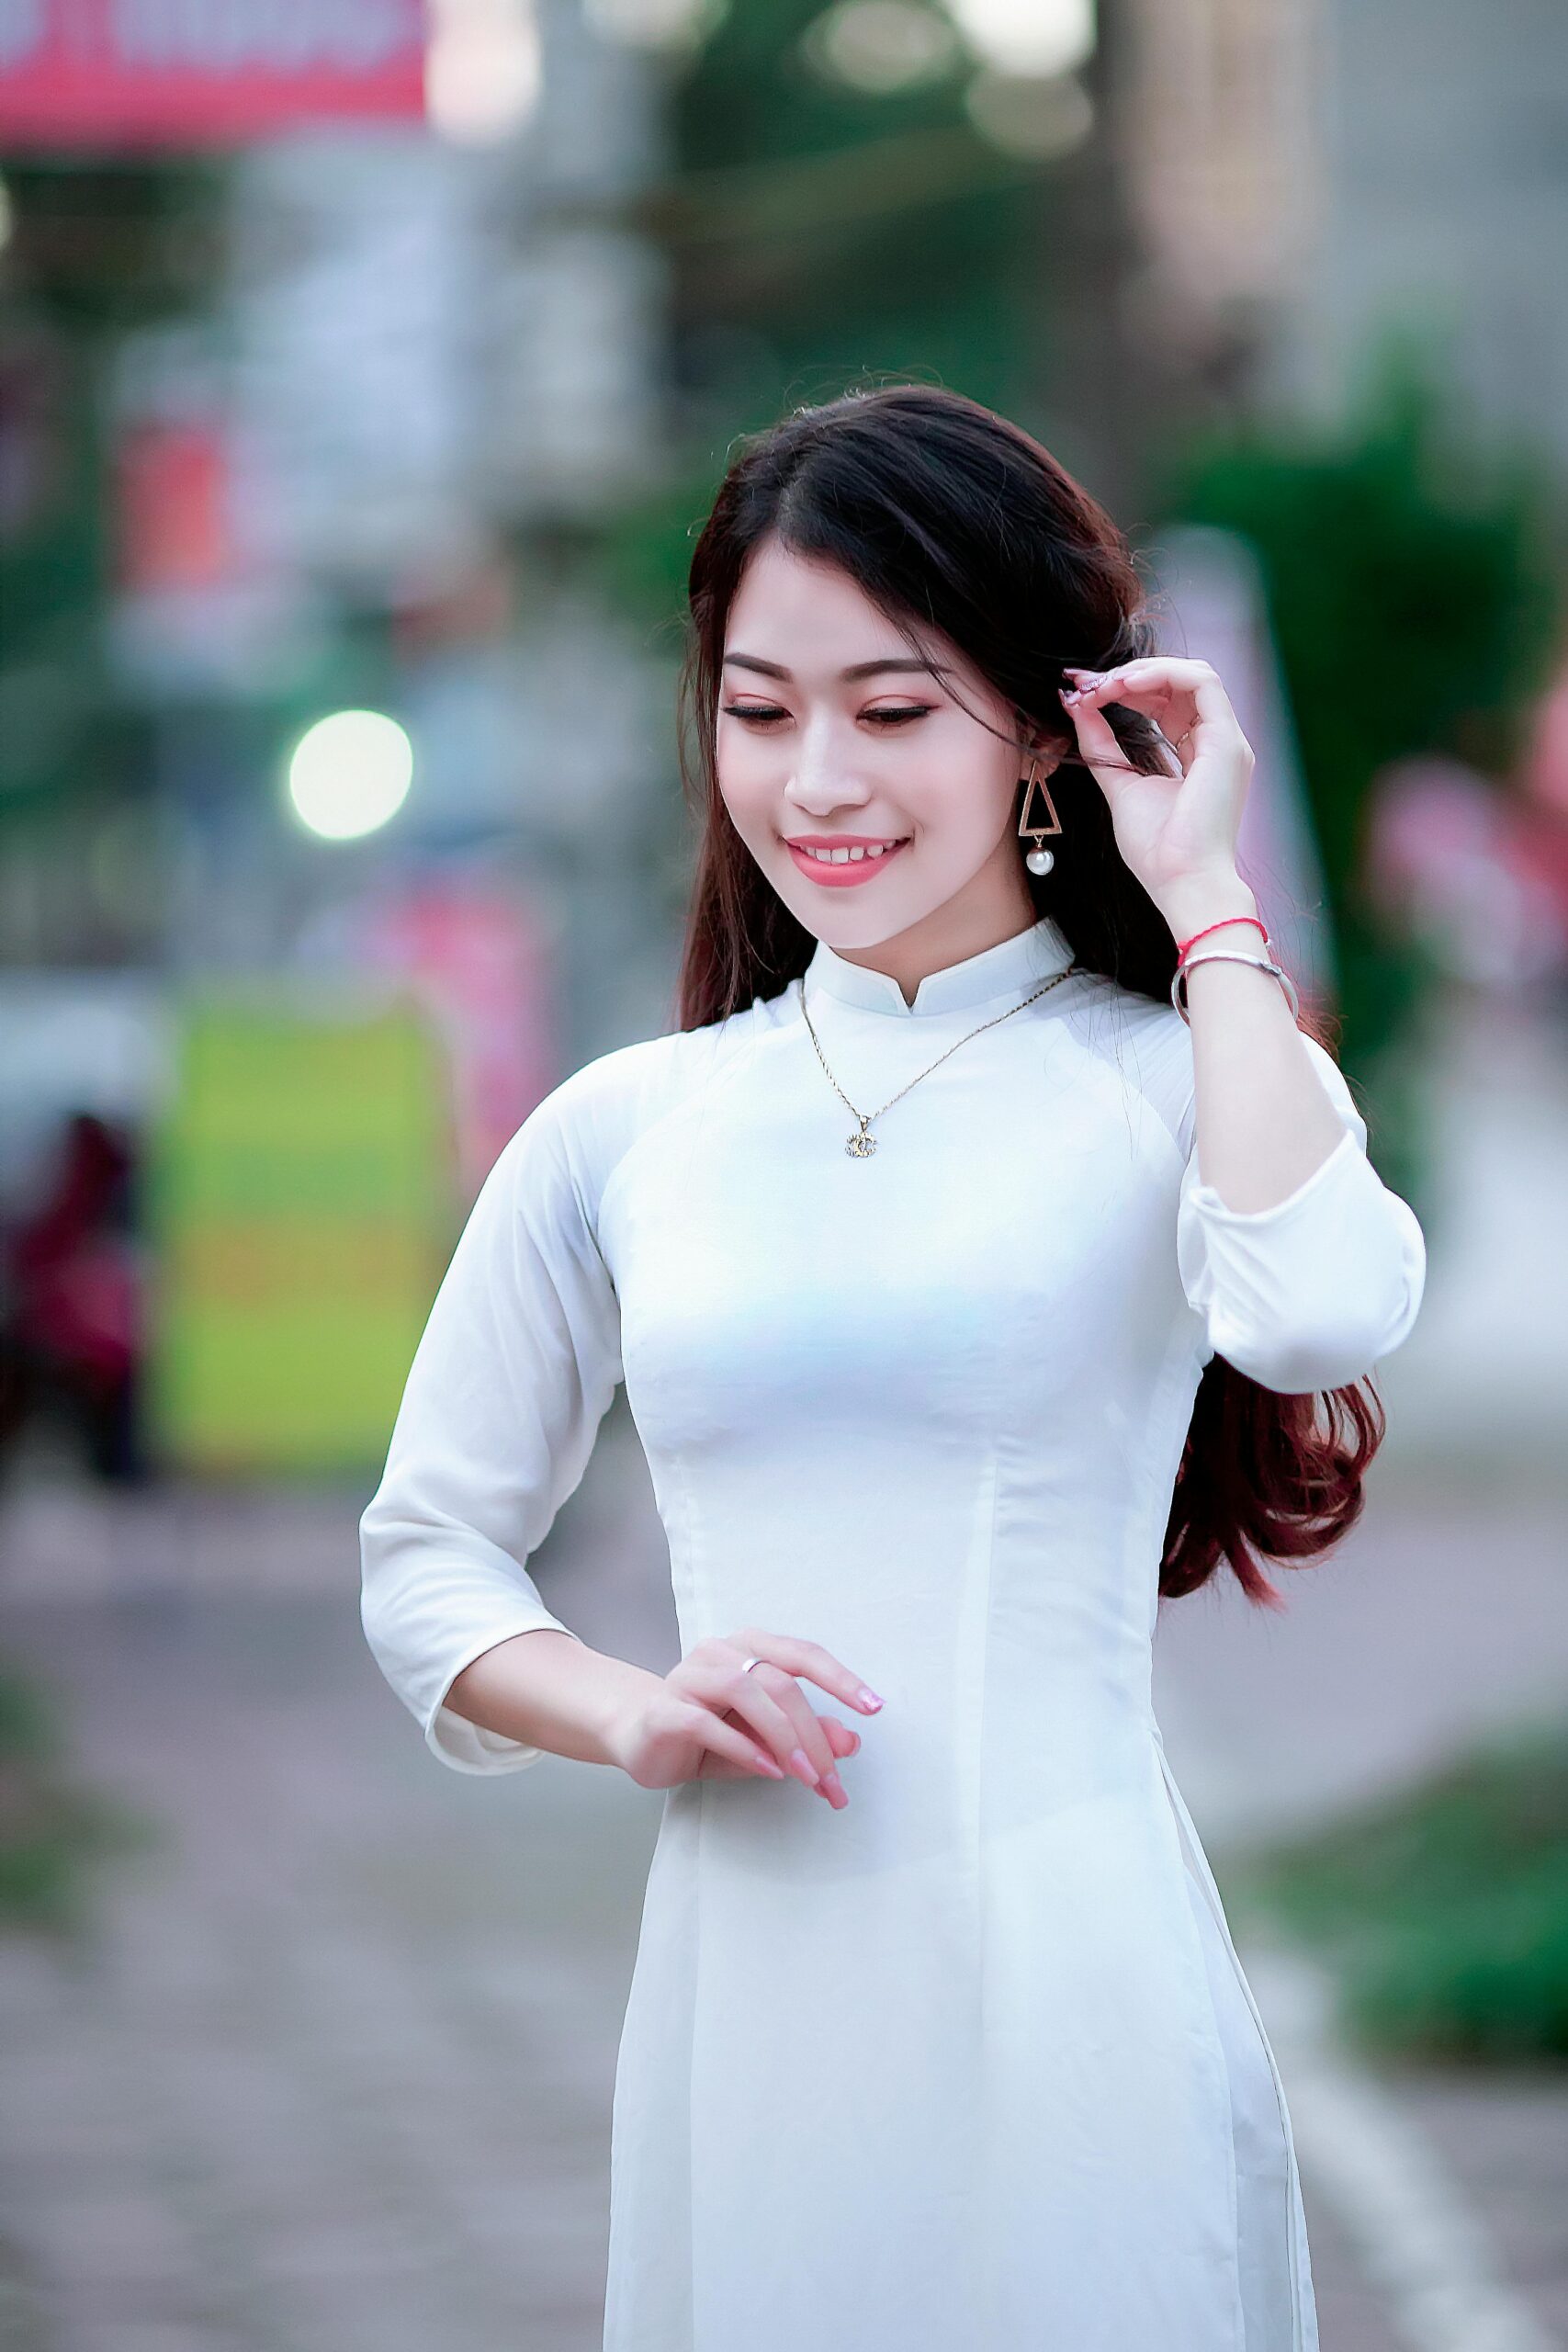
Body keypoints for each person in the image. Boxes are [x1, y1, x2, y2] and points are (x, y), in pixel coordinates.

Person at [359, 384, 1427, 2351]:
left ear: (1040, 726)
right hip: (746, 1994)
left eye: (892, 706)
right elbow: (426, 1557)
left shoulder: (1160, 1079)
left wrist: (1206, 898)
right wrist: (630, 1710)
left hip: (1070, 1975)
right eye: (761, 712)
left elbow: (1312, 1312)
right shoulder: (628, 1129)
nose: (819, 779)